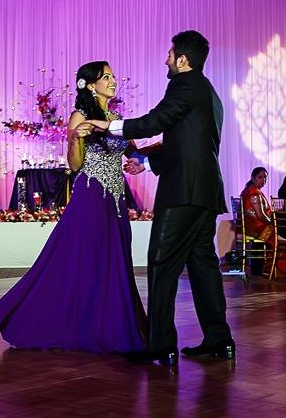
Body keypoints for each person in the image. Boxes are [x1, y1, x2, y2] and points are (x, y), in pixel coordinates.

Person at [0, 61, 147, 354]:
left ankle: (110, 324)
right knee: (83, 259)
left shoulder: (116, 117)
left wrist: (138, 161)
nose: (113, 81)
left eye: (112, 76)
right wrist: (75, 139)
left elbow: (132, 152)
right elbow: (75, 164)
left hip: (116, 198)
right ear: (91, 85)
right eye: (107, 77)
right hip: (91, 194)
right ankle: (65, 322)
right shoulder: (79, 116)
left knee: (114, 258)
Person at [93, 30, 234, 365]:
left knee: (161, 261)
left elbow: (157, 121)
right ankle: (219, 338)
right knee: (203, 267)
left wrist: (109, 126)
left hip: (184, 191)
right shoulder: (208, 92)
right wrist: (147, 160)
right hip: (204, 191)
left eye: (170, 54)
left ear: (183, 60)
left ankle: (160, 345)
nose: (166, 60)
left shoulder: (184, 85)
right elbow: (186, 141)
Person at [241, 167, 276, 276]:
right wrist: (272, 222)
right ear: (253, 178)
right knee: (281, 234)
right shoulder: (254, 192)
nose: (263, 180)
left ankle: (259, 269)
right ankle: (273, 268)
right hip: (256, 228)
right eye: (260, 177)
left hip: (252, 227)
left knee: (277, 231)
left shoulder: (249, 190)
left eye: (265, 177)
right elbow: (260, 215)